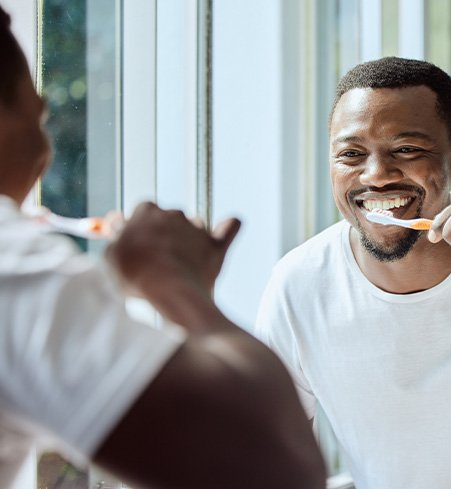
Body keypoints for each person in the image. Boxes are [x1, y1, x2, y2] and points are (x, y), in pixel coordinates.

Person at [0, 6, 327, 489]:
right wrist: (174, 283)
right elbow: (279, 467)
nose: (45, 154)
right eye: (40, 118)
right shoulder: (14, 269)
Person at [256, 56, 451, 489]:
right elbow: (269, 462)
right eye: (351, 154)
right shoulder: (299, 285)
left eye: (406, 150)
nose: (376, 176)